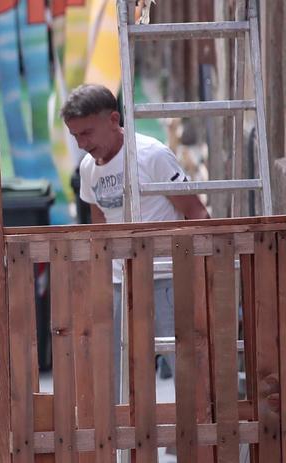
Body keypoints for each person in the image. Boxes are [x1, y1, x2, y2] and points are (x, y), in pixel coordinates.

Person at [61, 84, 209, 381]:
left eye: (87, 133)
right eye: (75, 135)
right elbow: (99, 226)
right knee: (116, 373)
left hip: (165, 277)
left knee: (185, 371)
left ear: (114, 120)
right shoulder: (89, 168)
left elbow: (196, 211)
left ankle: (196, 427)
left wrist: (200, 272)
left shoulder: (152, 155)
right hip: (119, 282)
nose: (81, 144)